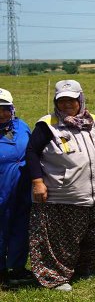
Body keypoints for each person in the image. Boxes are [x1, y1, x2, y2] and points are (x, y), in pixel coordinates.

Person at [25, 81, 95, 291]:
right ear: (56, 102)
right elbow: (32, 152)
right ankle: (55, 277)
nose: (68, 104)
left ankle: (81, 268)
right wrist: (37, 182)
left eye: (72, 99)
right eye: (62, 101)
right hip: (63, 195)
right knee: (61, 241)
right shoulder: (48, 124)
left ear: (81, 99)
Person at [0, 88, 31, 286]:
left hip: (22, 188)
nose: (2, 113)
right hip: (1, 189)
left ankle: (17, 268)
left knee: (21, 228)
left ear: (12, 109)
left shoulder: (22, 126)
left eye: (5, 108)